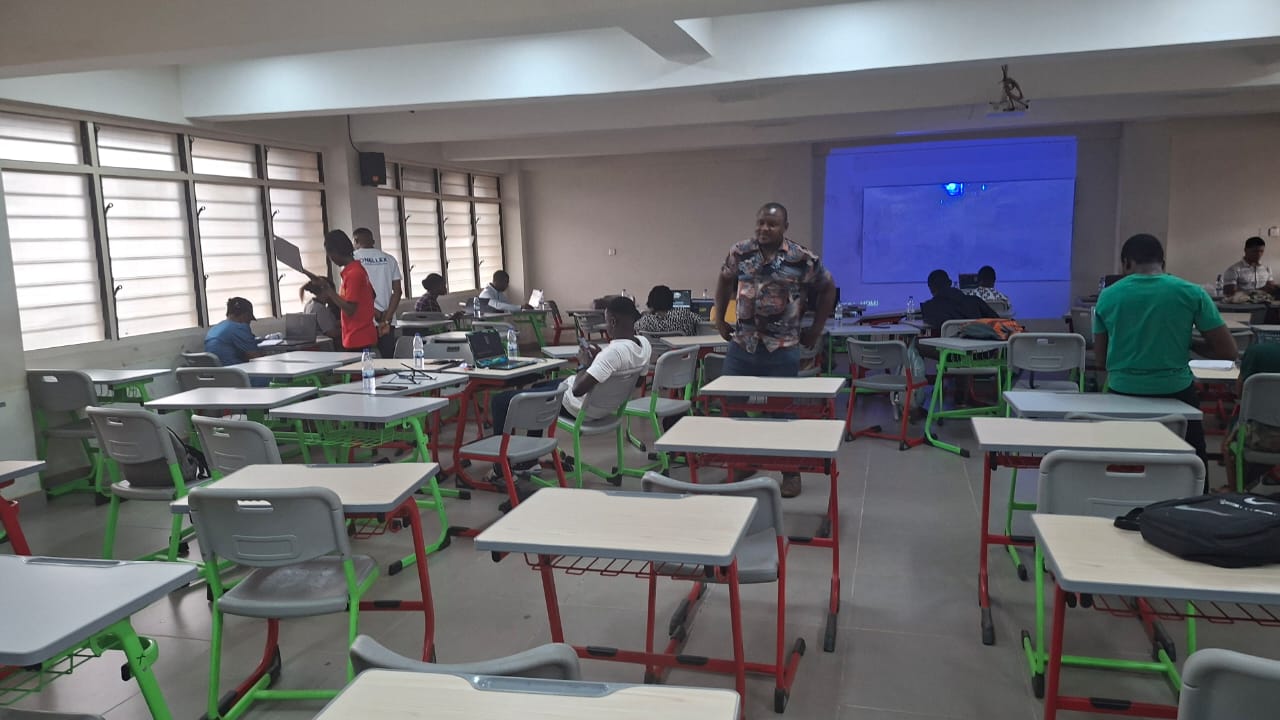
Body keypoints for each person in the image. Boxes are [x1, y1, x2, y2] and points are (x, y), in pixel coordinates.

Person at [714, 201, 836, 498]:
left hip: (782, 347)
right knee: (730, 404)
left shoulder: (802, 258)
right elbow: (724, 280)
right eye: (761, 223)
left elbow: (828, 288)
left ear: (784, 227)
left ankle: (790, 471)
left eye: (771, 224)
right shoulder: (740, 251)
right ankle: (746, 461)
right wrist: (720, 318)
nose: (764, 228)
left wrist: (816, 328)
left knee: (781, 411)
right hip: (743, 344)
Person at [1093, 233, 1237, 472]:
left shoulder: (1108, 296)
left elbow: (1100, 360)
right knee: (1194, 468)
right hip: (1177, 394)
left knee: (1121, 465)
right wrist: (1188, 342)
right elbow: (1228, 352)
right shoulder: (1192, 292)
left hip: (1122, 394)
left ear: (1126, 263)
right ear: (1163, 262)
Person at [486, 296, 652, 484]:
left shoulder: (613, 353)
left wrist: (584, 364)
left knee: (500, 401)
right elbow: (638, 382)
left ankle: (500, 468)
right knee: (538, 387)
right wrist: (597, 361)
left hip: (577, 406)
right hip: (605, 408)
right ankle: (529, 461)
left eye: (606, 322)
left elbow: (577, 390)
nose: (606, 326)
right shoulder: (643, 344)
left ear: (613, 321)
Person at [1223, 342, 1280, 490]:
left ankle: (1235, 491)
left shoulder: (1257, 352)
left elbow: (1240, 393)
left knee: (1230, 439)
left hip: (1262, 439)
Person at [312, 230, 378, 352]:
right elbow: (371, 295)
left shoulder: (354, 274)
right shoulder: (356, 270)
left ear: (335, 252)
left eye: (329, 254)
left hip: (359, 337)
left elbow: (350, 309)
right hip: (356, 335)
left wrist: (328, 290)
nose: (330, 259)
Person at [352, 227, 403, 358]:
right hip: (386, 321)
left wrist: (373, 311)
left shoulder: (353, 259)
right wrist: (387, 318)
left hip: (363, 321)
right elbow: (397, 291)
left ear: (355, 241)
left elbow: (353, 293)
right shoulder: (389, 259)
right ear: (373, 241)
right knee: (388, 360)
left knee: (363, 361)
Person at [921, 269, 998, 331]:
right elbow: (998, 321)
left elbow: (930, 331)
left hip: (945, 345)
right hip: (979, 344)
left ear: (931, 288)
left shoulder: (927, 308)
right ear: (950, 283)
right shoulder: (975, 301)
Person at [204, 297, 261, 366]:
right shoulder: (239, 328)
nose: (249, 323)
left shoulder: (214, 329)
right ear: (245, 315)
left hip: (217, 371)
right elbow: (256, 357)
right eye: (249, 320)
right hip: (235, 370)